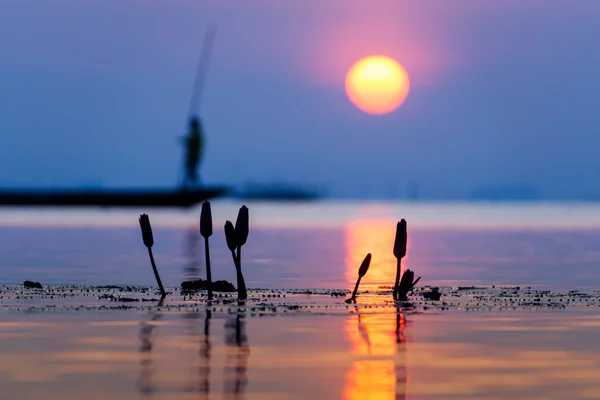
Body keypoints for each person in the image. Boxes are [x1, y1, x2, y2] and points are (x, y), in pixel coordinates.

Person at [183, 116, 204, 187]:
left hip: (194, 155)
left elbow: (192, 141)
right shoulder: (195, 133)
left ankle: (197, 186)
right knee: (190, 171)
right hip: (192, 155)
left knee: (191, 171)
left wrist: (185, 140)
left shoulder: (197, 133)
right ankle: (188, 185)